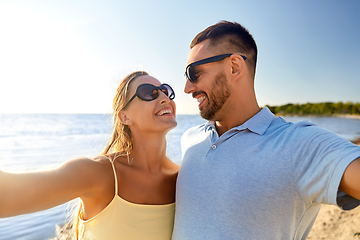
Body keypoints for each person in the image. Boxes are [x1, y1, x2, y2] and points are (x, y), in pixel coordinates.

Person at [172, 21, 360, 239]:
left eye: (194, 73)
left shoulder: (297, 144)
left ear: (234, 66)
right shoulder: (189, 139)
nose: (187, 88)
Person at [0, 71, 179, 239]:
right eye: (149, 92)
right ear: (124, 117)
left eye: (166, 91)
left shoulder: (182, 179)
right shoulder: (97, 174)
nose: (164, 97)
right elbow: (7, 196)